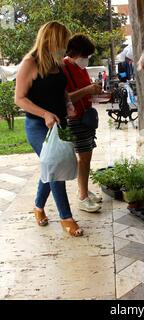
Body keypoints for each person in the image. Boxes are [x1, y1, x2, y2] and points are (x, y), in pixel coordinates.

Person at [15, 21, 83, 236]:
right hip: (37, 125)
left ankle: (38, 207)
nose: (66, 46)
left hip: (60, 124)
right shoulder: (30, 62)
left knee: (51, 166)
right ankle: (66, 217)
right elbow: (19, 99)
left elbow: (60, 91)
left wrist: (69, 104)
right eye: (63, 41)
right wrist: (44, 113)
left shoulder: (57, 63)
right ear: (52, 40)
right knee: (55, 167)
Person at [63, 34, 102, 212]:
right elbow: (64, 98)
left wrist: (95, 91)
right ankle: (82, 197)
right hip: (74, 119)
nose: (86, 60)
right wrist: (87, 89)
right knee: (84, 158)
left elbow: (84, 91)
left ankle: (84, 190)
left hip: (85, 117)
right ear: (76, 53)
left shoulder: (80, 68)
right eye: (85, 56)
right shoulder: (64, 67)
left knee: (86, 157)